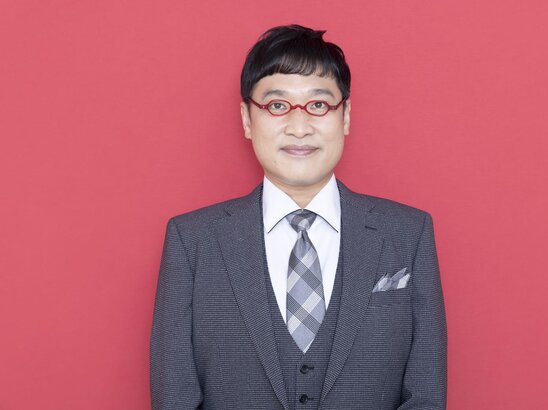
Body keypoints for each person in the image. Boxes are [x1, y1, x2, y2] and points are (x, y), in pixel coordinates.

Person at [150, 24, 447, 410]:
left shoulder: (408, 234)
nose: (299, 127)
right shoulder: (192, 242)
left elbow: (425, 396)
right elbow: (174, 398)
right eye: (277, 106)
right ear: (247, 119)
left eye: (319, 105)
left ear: (345, 116)